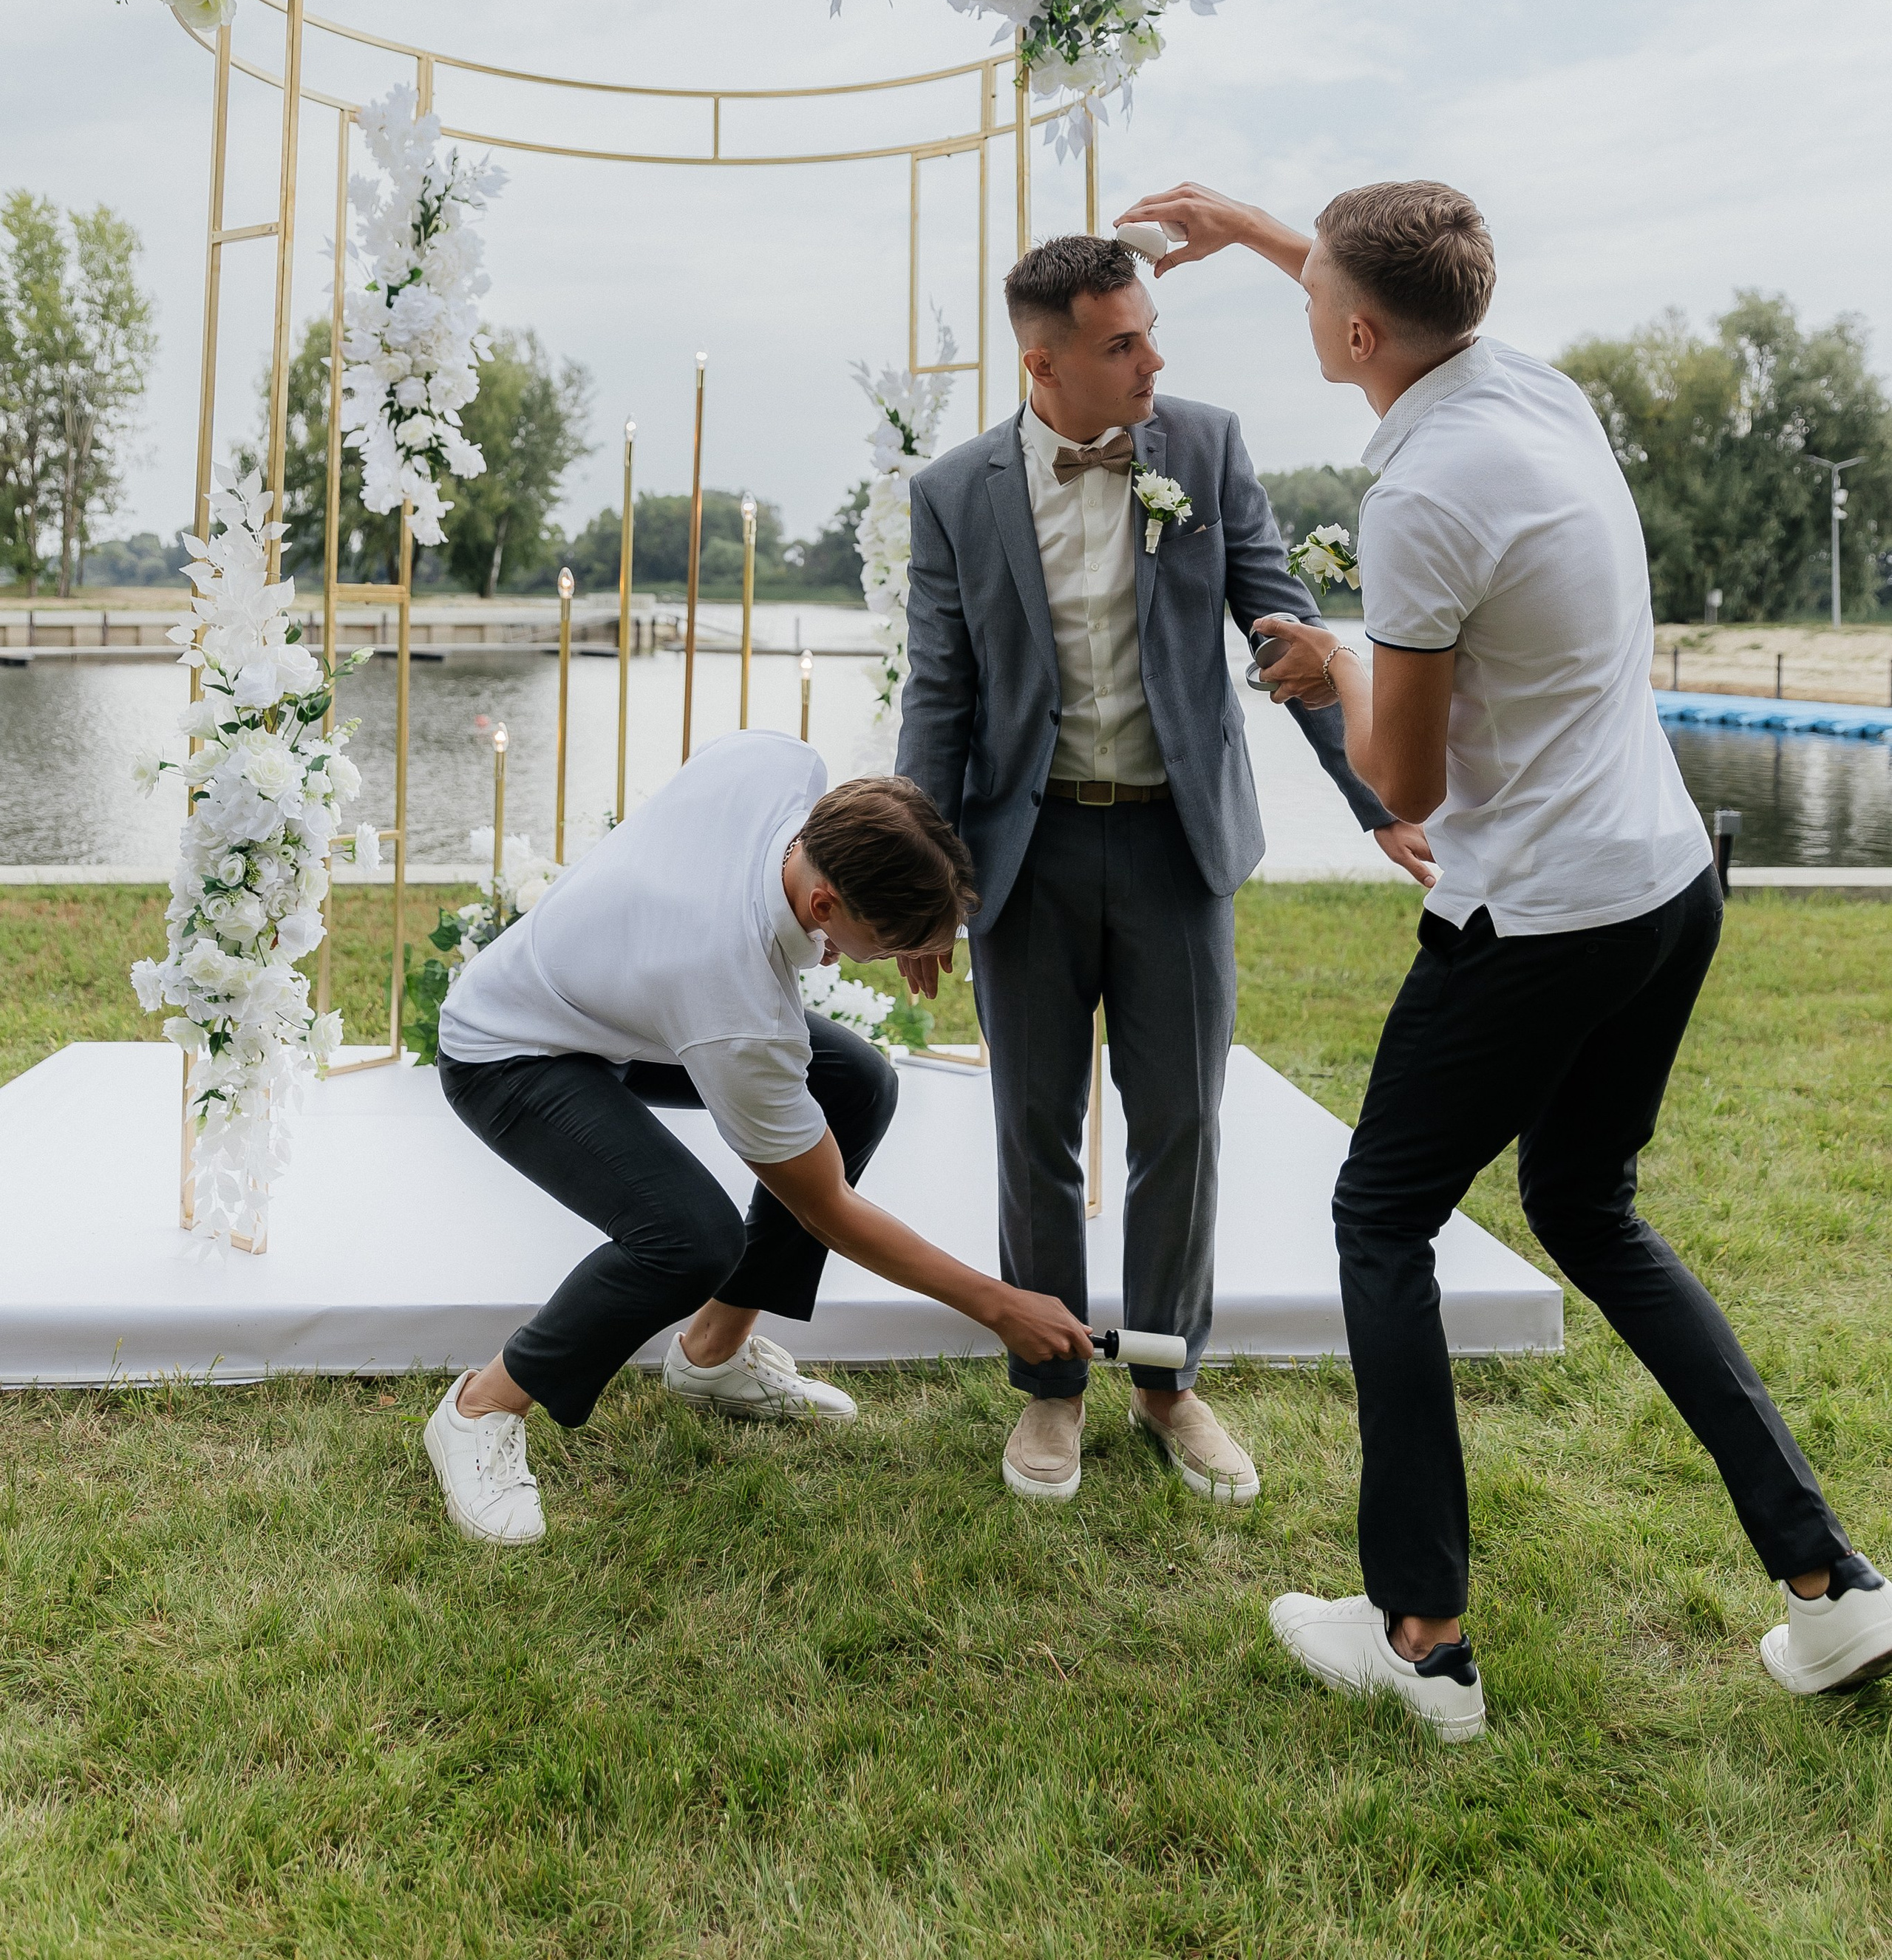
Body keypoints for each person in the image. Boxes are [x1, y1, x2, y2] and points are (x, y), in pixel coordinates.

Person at [1117, 174, 1892, 1739]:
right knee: (1586, 1206)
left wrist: (1335, 664)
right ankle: (1834, 1588)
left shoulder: (1419, 500)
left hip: (1538, 916)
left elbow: (1402, 783)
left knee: (1380, 1216)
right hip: (1665, 884)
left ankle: (1421, 1639)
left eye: (1313, 292)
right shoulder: (1533, 391)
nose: (1307, 302)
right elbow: (1389, 293)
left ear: (1355, 334)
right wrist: (1257, 232)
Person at [895, 232, 1432, 1508]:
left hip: (1174, 846)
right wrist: (922, 888)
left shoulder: (1206, 446)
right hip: (1022, 856)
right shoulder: (954, 493)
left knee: (1182, 1122)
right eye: (1122, 344)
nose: (1153, 362)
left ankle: (1166, 1379)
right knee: (1032, 1127)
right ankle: (1051, 1385)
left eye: (1151, 334)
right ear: (1046, 364)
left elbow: (1290, 631)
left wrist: (1376, 800)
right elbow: (939, 696)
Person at [424, 729, 1090, 1543]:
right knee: (688, 1239)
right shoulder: (737, 1007)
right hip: (509, 1050)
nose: (884, 961)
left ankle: (712, 1354)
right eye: (883, 947)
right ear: (824, 906)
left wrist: (921, 911)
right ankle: (480, 1408)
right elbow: (825, 1209)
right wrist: (999, 1304)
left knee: (856, 1083)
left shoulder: (783, 767)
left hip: (618, 1002)